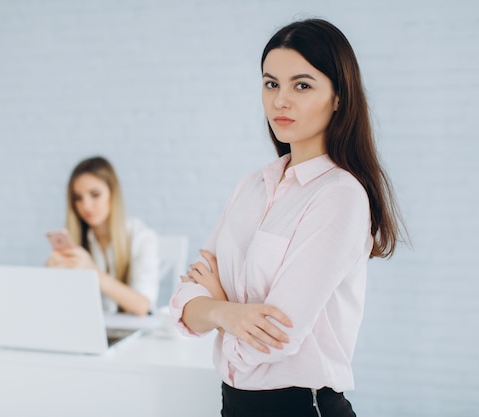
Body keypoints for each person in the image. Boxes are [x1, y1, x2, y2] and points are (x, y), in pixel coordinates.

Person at [170, 19, 405, 416]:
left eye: (302, 85)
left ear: (338, 97)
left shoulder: (340, 196)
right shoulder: (252, 186)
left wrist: (216, 308)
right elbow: (184, 301)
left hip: (300, 406)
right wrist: (230, 313)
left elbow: (276, 336)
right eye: (270, 83)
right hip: (234, 404)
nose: (281, 100)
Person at [47, 156, 159, 316]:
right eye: (77, 198)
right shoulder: (78, 239)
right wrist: (51, 276)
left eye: (95, 194)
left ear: (113, 194)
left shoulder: (142, 237)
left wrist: (90, 269)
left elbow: (143, 307)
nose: (85, 206)